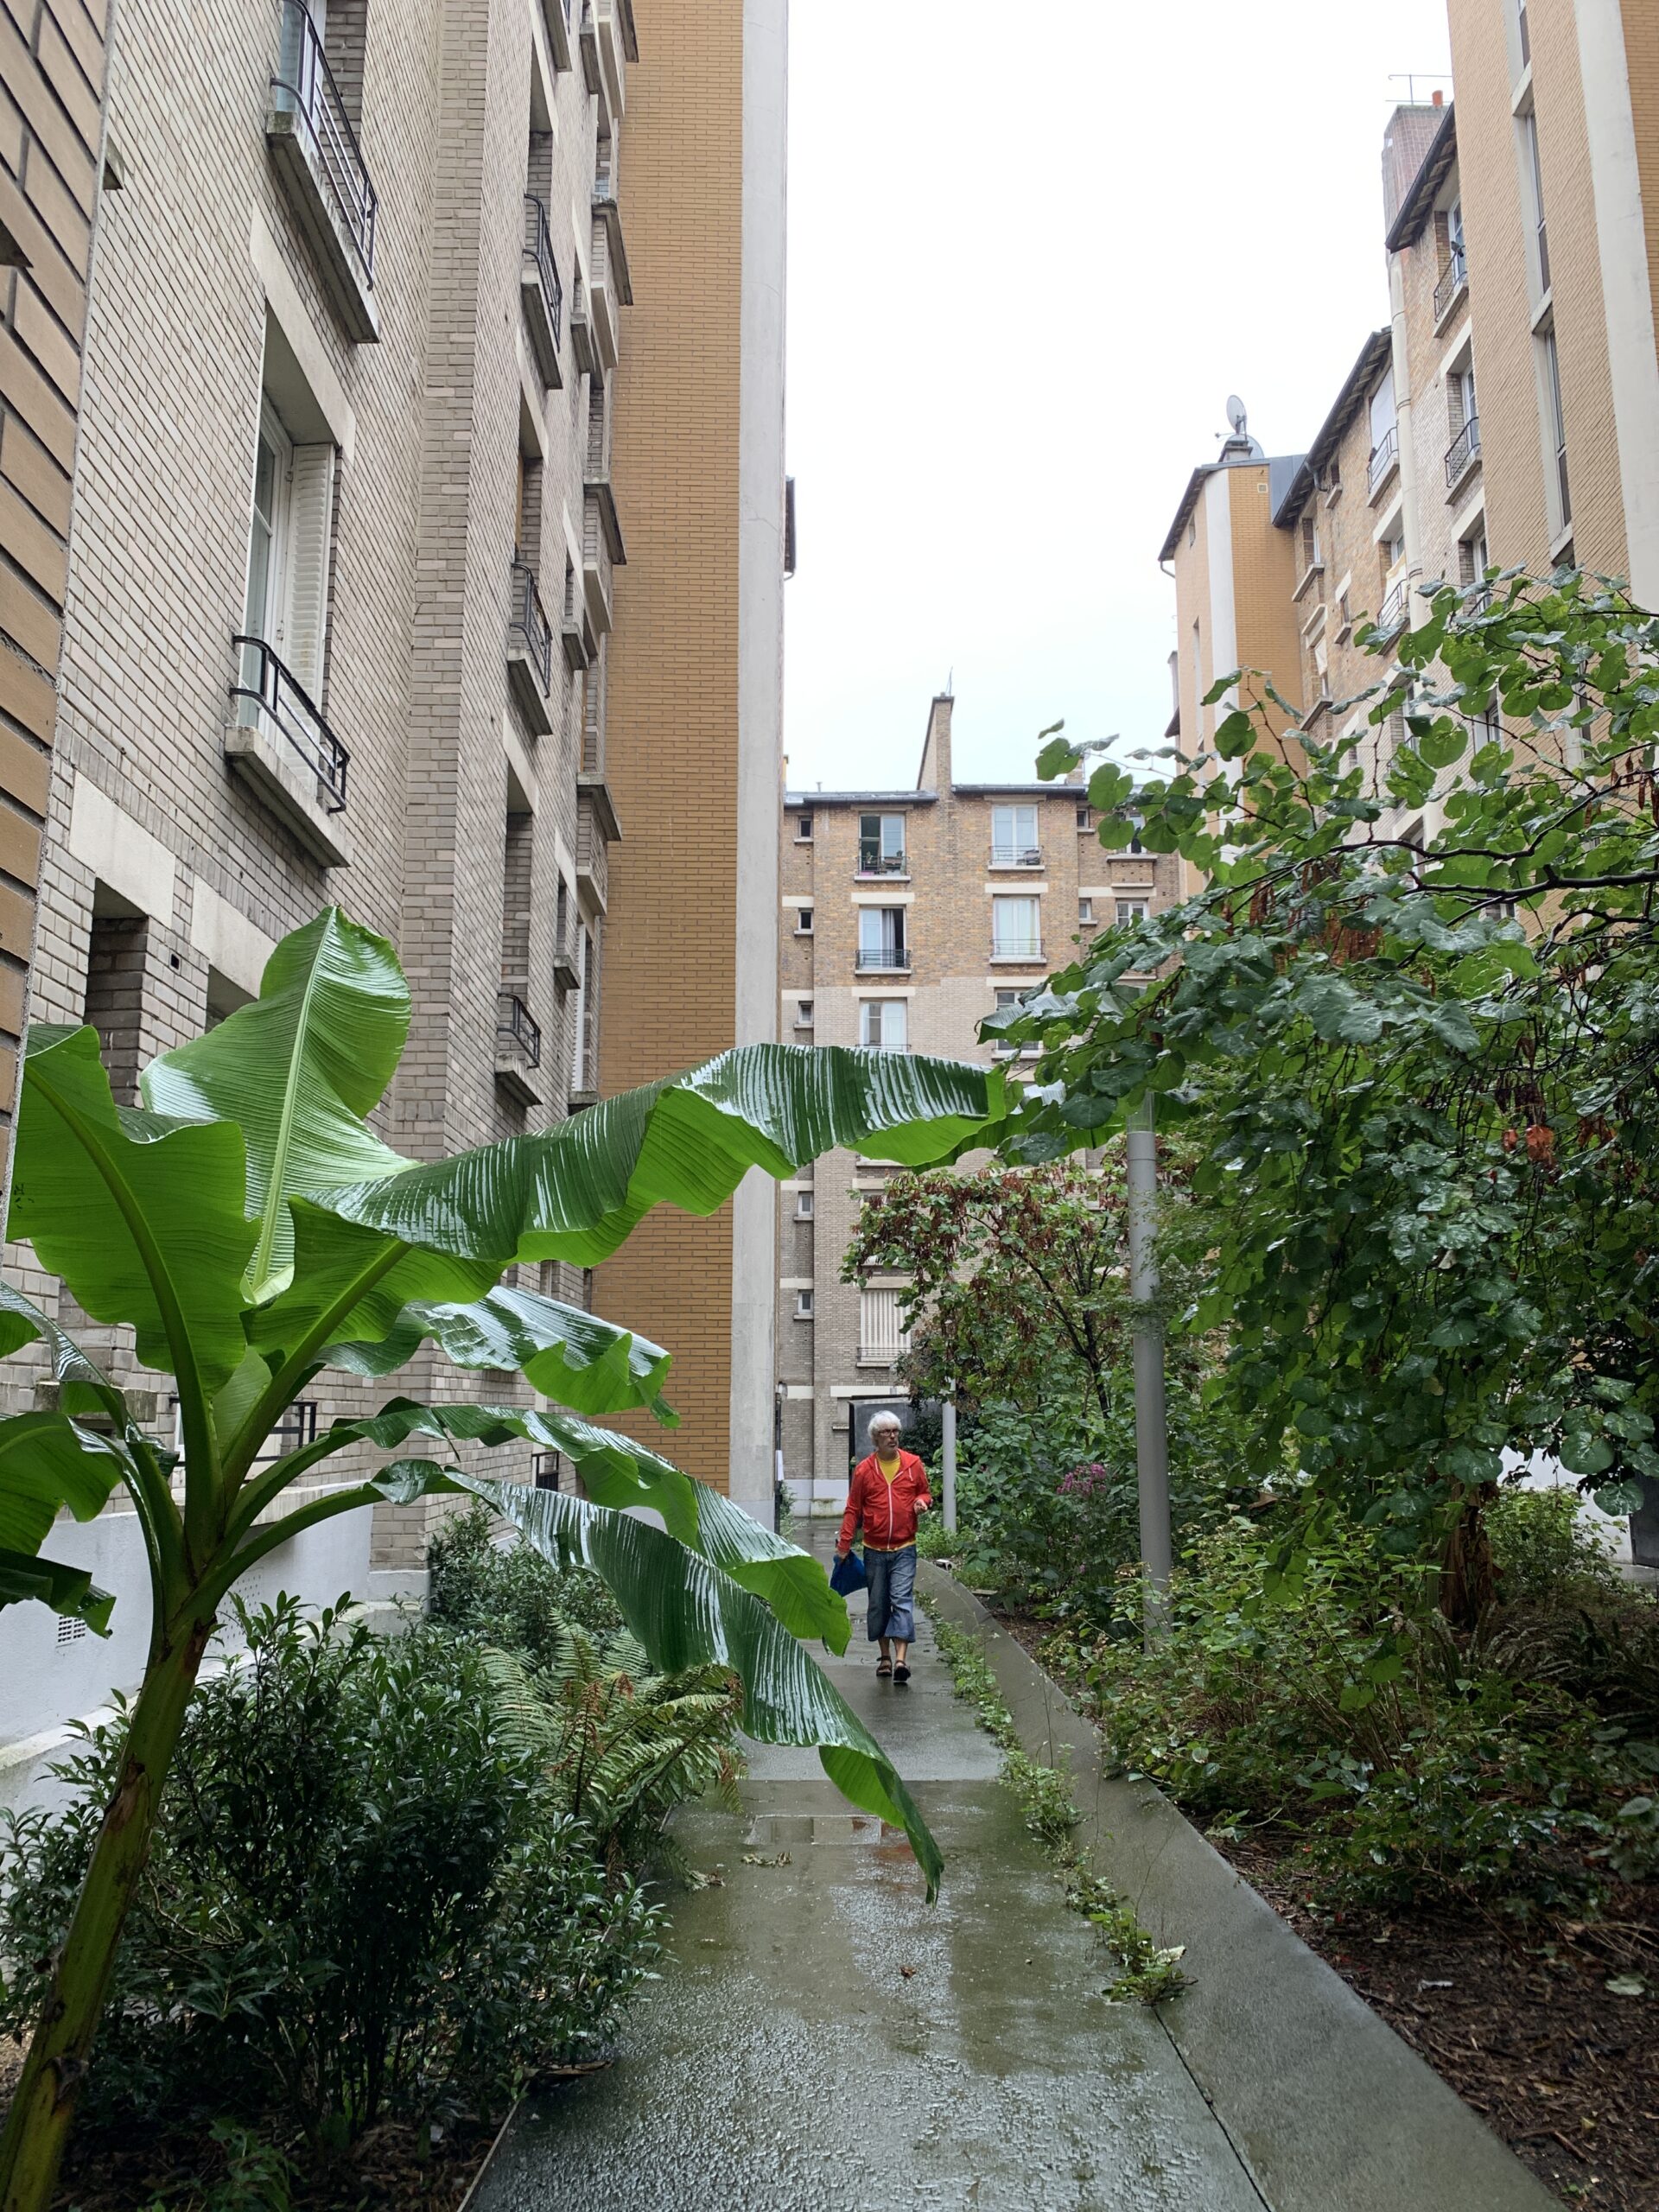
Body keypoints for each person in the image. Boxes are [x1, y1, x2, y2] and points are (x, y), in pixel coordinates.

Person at [836, 1414, 931, 1682]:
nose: (892, 1436)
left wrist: (922, 1502)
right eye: (886, 1432)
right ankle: (885, 1657)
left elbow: (924, 1493)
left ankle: (901, 1660)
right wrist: (844, 1544)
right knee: (878, 1604)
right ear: (875, 1438)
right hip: (874, 1549)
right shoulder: (865, 1470)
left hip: (905, 1547)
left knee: (901, 1601)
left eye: (895, 1431)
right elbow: (853, 1509)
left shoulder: (913, 1464)